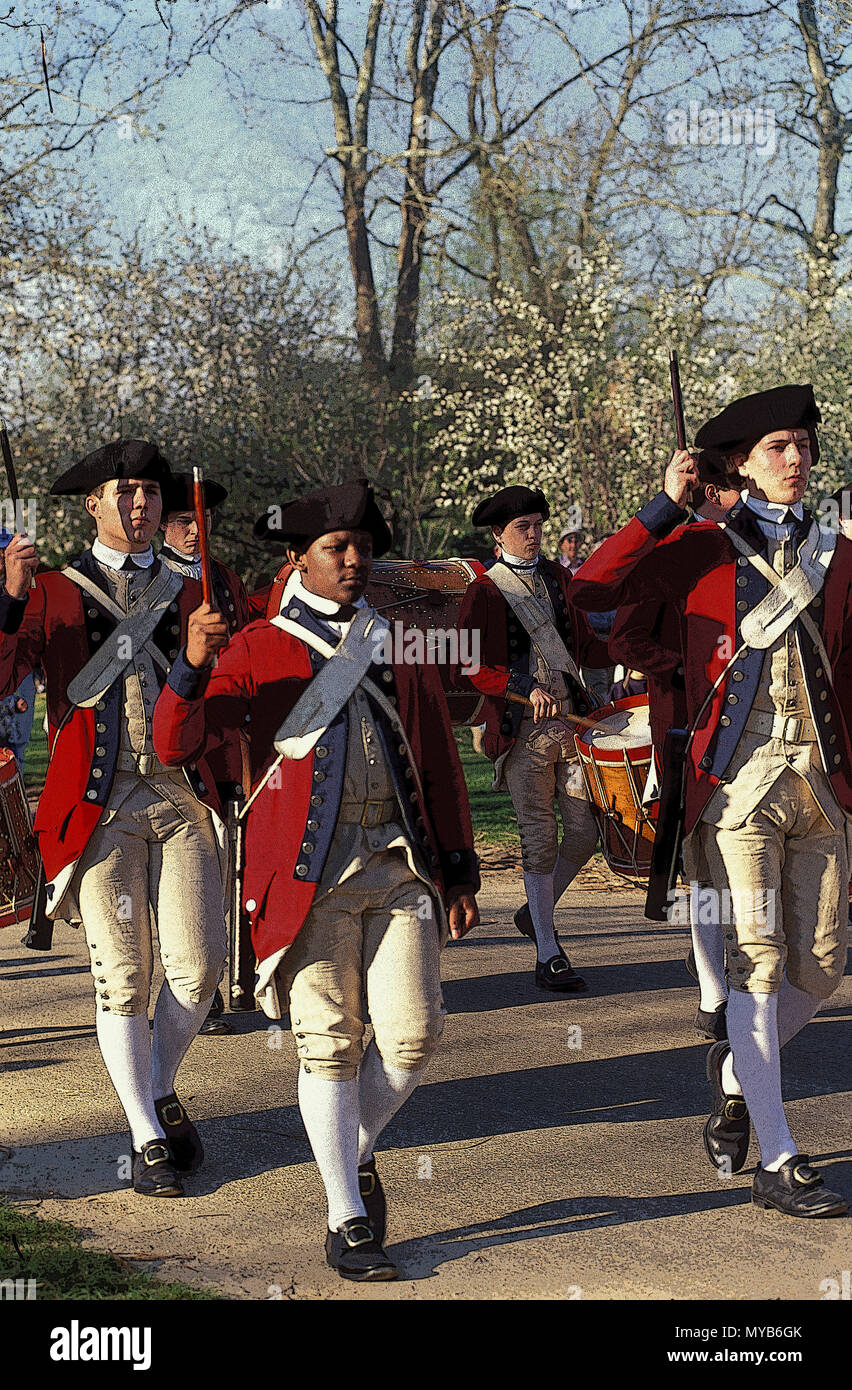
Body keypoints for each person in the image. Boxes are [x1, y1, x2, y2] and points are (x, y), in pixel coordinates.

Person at [152, 478, 480, 1281]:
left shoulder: (393, 636)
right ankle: (347, 1214)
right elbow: (173, 743)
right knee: (330, 1046)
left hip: (399, 868)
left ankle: (351, 1151)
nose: (356, 561)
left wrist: (460, 867)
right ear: (298, 559)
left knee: (413, 1034)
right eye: (338, 549)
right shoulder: (257, 646)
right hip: (307, 881)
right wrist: (193, 663)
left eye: (364, 548)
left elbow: (436, 755)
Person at [570, 385, 851, 1217]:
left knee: (825, 964)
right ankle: (780, 1157)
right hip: (736, 789)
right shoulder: (695, 548)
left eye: (801, 443)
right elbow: (590, 594)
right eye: (776, 446)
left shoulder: (837, 552)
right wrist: (663, 504)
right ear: (738, 463)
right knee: (758, 964)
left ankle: (734, 1072)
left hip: (824, 786)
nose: (795, 459)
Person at [0, 440, 227, 1199]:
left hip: (180, 794)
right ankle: (146, 1133)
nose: (140, 504)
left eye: (151, 493)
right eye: (124, 491)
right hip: (98, 809)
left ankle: (158, 1084)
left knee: (197, 972)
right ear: (92, 504)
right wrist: (6, 598)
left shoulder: (195, 587)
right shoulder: (51, 591)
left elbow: (228, 696)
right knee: (125, 978)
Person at [606, 454, 742, 1041]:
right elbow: (625, 636)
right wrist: (689, 672)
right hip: (686, 723)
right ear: (714, 490)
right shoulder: (676, 553)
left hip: (753, 728)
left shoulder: (756, 550)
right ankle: (713, 989)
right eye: (740, 486)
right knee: (701, 862)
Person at [454, 485, 607, 991]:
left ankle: (533, 913)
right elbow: (470, 663)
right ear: (498, 535)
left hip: (572, 727)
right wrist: (521, 687)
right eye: (523, 528)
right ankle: (548, 950)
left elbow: (584, 641)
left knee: (587, 831)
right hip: (522, 735)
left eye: (539, 525)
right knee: (539, 839)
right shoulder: (486, 590)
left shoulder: (558, 577)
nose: (535, 535)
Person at [159, 470, 252, 1034]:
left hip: (226, 734)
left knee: (229, 859)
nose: (197, 531)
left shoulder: (225, 578)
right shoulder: (153, 583)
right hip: (175, 735)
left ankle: (230, 976)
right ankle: (198, 986)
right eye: (184, 521)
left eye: (204, 521)